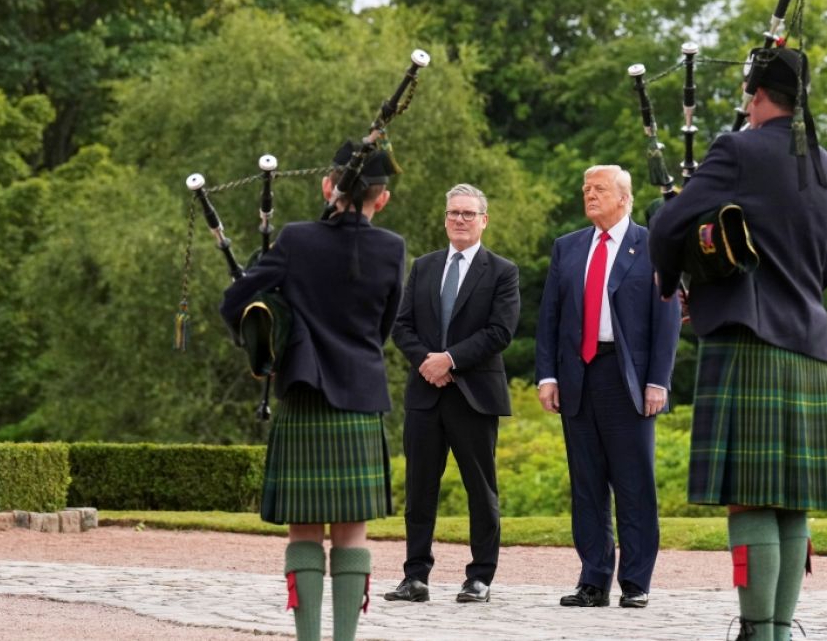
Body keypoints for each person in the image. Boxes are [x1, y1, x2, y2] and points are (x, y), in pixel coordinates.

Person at [647, 47, 827, 641]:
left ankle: (757, 633)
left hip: (748, 341)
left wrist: (676, 283)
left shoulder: (736, 148)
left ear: (756, 96)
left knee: (749, 499)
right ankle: (779, 631)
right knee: (791, 502)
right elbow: (826, 266)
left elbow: (668, 224)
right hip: (809, 342)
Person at [220, 140, 405, 641]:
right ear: (381, 199)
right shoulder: (393, 249)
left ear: (329, 186)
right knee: (351, 531)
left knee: (304, 529)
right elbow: (383, 326)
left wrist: (272, 332)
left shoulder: (296, 240)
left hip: (303, 394)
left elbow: (235, 303)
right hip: (362, 394)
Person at [535, 164, 681, 610]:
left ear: (625, 198)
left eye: (598, 188)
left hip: (629, 378)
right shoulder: (568, 247)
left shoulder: (652, 246)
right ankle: (593, 580)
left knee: (635, 484)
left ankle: (635, 582)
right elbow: (550, 318)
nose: (589, 195)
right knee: (587, 484)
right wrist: (547, 375)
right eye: (585, 188)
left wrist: (658, 380)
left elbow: (667, 317)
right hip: (579, 375)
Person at [384, 184, 520, 605]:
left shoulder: (501, 271)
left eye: (468, 213)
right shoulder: (423, 267)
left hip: (474, 395)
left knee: (481, 490)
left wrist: (450, 360)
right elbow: (400, 325)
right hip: (425, 393)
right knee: (420, 489)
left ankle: (480, 577)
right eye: (453, 213)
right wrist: (429, 361)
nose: (459, 219)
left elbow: (500, 331)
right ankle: (415, 577)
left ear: (484, 220)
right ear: (445, 218)